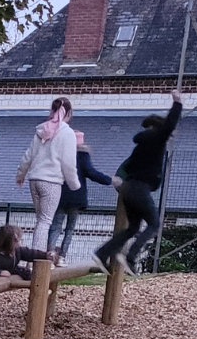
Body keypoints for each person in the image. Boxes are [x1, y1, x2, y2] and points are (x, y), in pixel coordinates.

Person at [94, 98, 183, 272]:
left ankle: (101, 254)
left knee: (133, 227)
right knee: (154, 224)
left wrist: (120, 181)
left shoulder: (141, 145)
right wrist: (177, 102)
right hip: (139, 189)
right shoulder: (157, 139)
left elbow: (127, 165)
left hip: (129, 189)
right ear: (161, 129)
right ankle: (131, 258)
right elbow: (170, 124)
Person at [15, 98, 80, 254]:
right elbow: (69, 163)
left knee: (40, 221)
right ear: (69, 113)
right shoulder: (67, 133)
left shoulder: (41, 130)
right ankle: (36, 259)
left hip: (34, 180)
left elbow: (28, 156)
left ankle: (35, 257)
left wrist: (21, 174)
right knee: (45, 222)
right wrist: (74, 185)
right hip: (51, 182)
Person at [46, 130, 113, 260]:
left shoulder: (59, 154)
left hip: (60, 195)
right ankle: (62, 256)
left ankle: (50, 252)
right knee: (70, 229)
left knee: (55, 227)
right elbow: (91, 172)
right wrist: (108, 180)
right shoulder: (82, 155)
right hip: (77, 197)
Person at [0, 225, 51, 322]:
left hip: (9, 268)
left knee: (26, 272)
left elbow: (29, 253)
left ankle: (41, 289)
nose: (19, 243)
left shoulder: (16, 250)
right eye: (17, 241)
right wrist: (0, 272)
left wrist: (46, 255)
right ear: (9, 243)